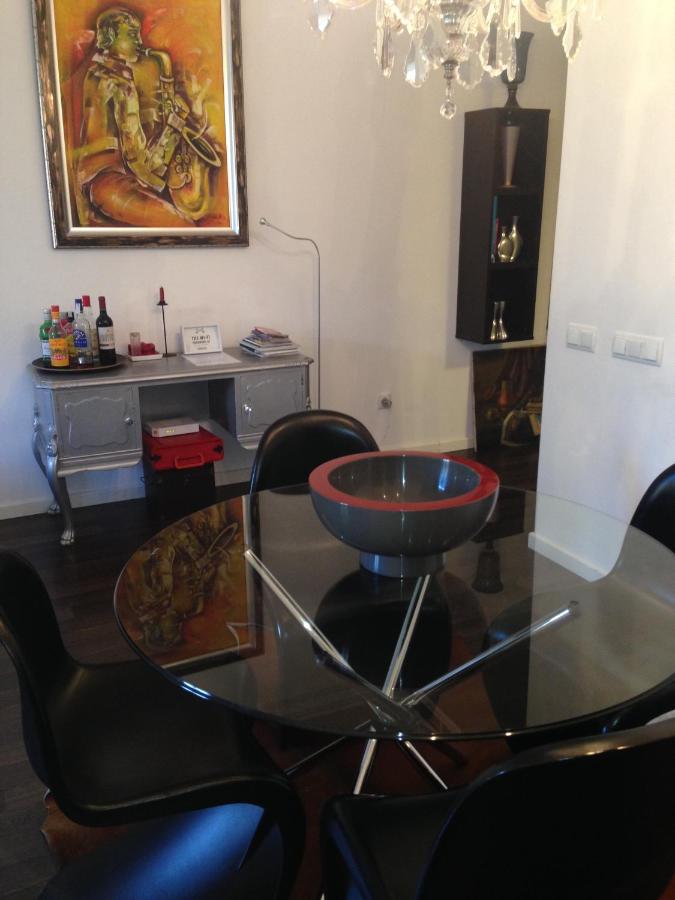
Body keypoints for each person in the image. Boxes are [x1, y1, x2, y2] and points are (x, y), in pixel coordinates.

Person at [75, 6, 220, 227]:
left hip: (113, 179)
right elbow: (141, 165)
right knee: (183, 227)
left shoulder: (101, 72)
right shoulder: (118, 84)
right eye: (132, 34)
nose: (139, 41)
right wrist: (174, 124)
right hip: (108, 183)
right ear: (110, 37)